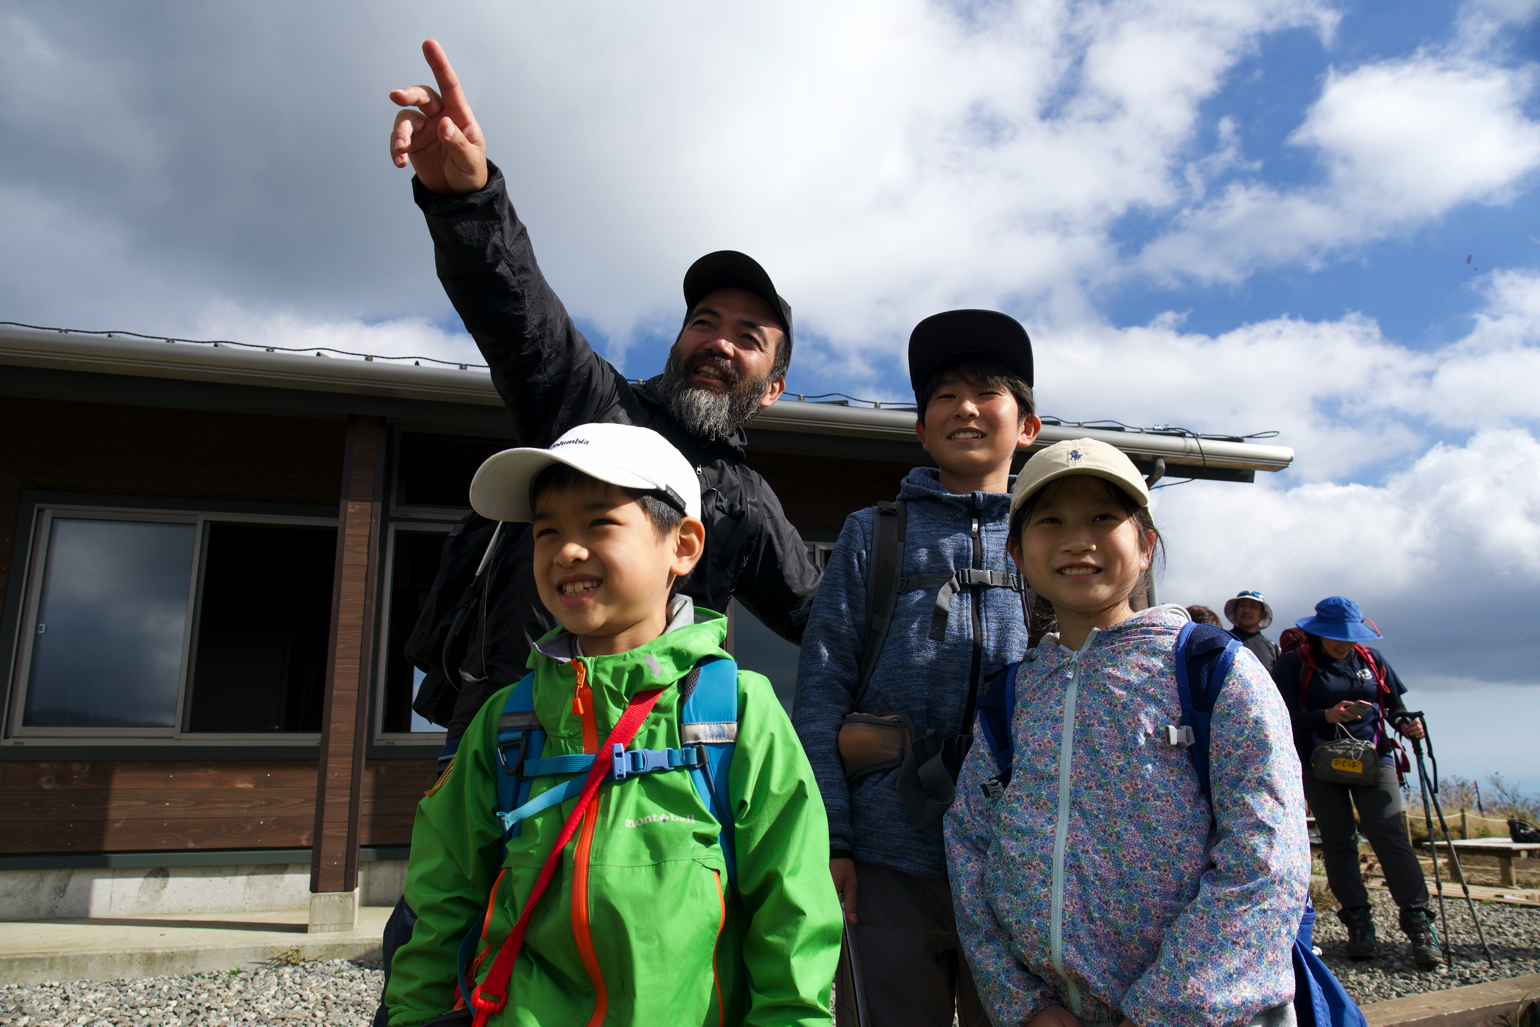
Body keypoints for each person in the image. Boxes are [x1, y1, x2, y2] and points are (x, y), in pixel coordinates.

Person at [388, 39, 821, 741]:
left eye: (747, 337)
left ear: (772, 388)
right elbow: (519, 315)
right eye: (703, 322)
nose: (718, 341)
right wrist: (467, 202)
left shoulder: (749, 504)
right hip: (512, 736)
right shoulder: (593, 410)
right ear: (676, 343)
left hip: (659, 758)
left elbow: (825, 617)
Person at [384, 423, 843, 1026]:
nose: (566, 551)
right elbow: (441, 902)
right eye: (546, 531)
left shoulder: (735, 710)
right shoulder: (507, 721)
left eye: (599, 524)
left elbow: (793, 914)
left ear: (683, 546)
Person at [947, 438, 1310, 1027]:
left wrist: (1162, 1013)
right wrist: (1023, 1005)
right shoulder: (1011, 695)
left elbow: (1267, 860)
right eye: (1050, 521)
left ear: (1145, 546)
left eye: (1102, 518)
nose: (1077, 540)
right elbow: (969, 847)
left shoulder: (1213, 670)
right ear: (1016, 552)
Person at [793, 309, 1041, 1027]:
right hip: (885, 850)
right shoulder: (874, 532)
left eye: (988, 393)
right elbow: (821, 692)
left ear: (1027, 426)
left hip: (1019, 854)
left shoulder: (1052, 536)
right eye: (944, 396)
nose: (965, 408)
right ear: (921, 431)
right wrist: (832, 840)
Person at [1273, 596, 1438, 968]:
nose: (1344, 643)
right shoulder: (1294, 663)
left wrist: (1407, 724)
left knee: (1389, 833)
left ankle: (1418, 922)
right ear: (1318, 632)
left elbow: (1394, 707)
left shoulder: (1371, 659)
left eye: (1349, 636)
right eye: (1336, 635)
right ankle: (1358, 922)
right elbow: (1280, 716)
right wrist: (1325, 715)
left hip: (1374, 758)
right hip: (1319, 762)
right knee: (1338, 840)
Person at [1225, 589, 1280, 671]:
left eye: (1253, 606)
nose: (1246, 611)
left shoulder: (1272, 648)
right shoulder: (1223, 640)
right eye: (1242, 605)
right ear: (1234, 612)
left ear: (1263, 615)